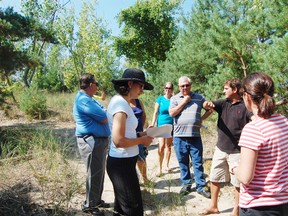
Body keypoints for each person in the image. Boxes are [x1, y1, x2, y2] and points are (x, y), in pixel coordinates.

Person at [234, 72, 288, 216]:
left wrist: (235, 169)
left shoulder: (253, 129)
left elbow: (245, 177)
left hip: (257, 206)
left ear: (246, 97)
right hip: (283, 203)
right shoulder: (284, 122)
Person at [199, 78, 253, 216]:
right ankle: (213, 206)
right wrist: (207, 103)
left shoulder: (245, 106)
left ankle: (236, 210)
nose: (223, 91)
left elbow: (253, 120)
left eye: (226, 88)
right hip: (220, 148)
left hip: (237, 152)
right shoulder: (223, 103)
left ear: (234, 90)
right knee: (214, 177)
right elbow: (206, 104)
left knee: (237, 183)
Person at [106, 68, 154, 216]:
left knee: (121, 208)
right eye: (140, 86)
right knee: (133, 210)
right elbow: (119, 140)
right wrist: (142, 140)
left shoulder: (123, 103)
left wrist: (141, 133)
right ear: (129, 83)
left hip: (125, 163)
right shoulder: (120, 105)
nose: (142, 91)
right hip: (122, 166)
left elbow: (126, 132)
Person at [169, 76, 214, 198]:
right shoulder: (174, 98)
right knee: (183, 162)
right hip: (179, 137)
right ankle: (186, 184)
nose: (185, 87)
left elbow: (210, 109)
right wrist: (185, 101)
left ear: (191, 85)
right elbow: (172, 113)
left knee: (197, 162)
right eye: (182, 86)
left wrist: (201, 119)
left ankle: (200, 186)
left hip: (194, 136)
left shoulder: (199, 98)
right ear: (179, 87)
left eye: (187, 85)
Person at [73, 73, 111, 216]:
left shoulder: (88, 99)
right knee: (93, 173)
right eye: (96, 84)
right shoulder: (84, 100)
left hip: (97, 141)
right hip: (90, 141)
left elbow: (103, 113)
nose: (97, 86)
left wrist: (104, 111)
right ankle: (89, 205)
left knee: (99, 172)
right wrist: (104, 112)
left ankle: (96, 200)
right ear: (91, 85)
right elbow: (104, 117)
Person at [150, 82, 174, 177]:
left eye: (169, 88)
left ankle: (166, 166)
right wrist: (152, 124)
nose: (167, 89)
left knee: (168, 146)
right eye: (166, 87)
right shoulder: (159, 99)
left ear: (172, 89)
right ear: (164, 89)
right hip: (161, 124)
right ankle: (159, 168)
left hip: (171, 125)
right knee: (161, 146)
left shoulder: (174, 99)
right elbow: (155, 112)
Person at [129, 96, 149, 184]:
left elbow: (143, 115)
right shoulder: (124, 102)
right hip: (129, 135)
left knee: (141, 157)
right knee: (130, 158)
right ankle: (134, 181)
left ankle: (145, 179)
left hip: (139, 134)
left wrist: (142, 127)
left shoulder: (139, 102)